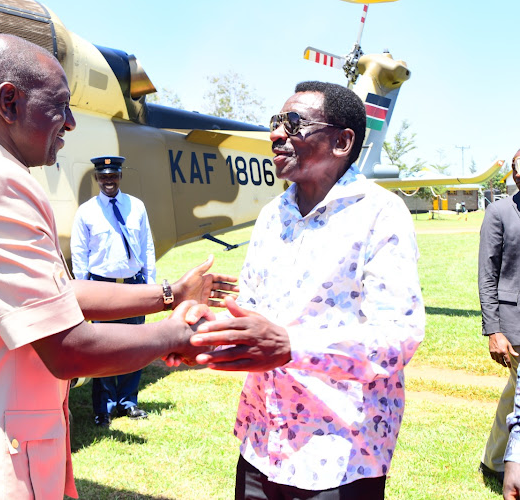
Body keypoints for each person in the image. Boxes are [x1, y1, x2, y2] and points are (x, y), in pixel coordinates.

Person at [0, 34, 235, 500]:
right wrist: (180, 335)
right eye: (60, 106)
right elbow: (69, 348)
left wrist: (168, 295)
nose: (71, 123)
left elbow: (51, 294)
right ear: (10, 102)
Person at [175, 81, 425, 498]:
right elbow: (252, 315)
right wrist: (203, 331)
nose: (276, 134)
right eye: (276, 123)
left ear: (342, 141)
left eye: (293, 123)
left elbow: (397, 337)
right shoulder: (273, 215)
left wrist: (293, 345)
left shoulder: (382, 214)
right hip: (261, 443)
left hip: (340, 456)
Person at [70, 155, 156, 426]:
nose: (109, 181)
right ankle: (103, 408)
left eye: (113, 175)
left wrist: (150, 285)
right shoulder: (87, 211)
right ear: (97, 178)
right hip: (101, 288)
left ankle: (128, 402)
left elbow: (146, 246)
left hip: (132, 285)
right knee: (103, 350)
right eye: (104, 176)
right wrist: (82, 292)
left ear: (120, 176)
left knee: (134, 346)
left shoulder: (136, 206)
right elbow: (79, 253)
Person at [478, 149, 520, 486]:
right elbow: (487, 274)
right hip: (513, 324)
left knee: (514, 394)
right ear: (514, 174)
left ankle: (493, 461)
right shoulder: (500, 212)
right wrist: (494, 329)